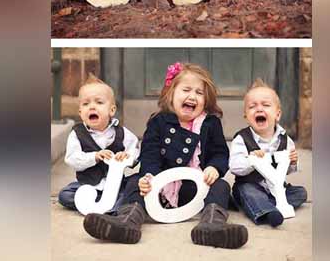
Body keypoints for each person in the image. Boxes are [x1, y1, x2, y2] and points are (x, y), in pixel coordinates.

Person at [82, 63, 248, 249]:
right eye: (186, 90)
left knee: (221, 186)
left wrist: (214, 168)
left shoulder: (210, 123)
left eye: (199, 93)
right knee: (134, 183)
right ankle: (127, 221)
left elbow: (220, 152)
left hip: (194, 188)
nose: (192, 96)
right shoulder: (159, 122)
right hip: (160, 188)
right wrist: (149, 177)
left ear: (206, 100)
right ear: (171, 94)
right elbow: (150, 153)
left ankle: (212, 226)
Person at [229, 79, 308, 227]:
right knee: (249, 193)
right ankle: (267, 212)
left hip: (275, 188)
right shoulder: (241, 139)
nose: (259, 109)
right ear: (246, 116)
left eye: (265, 105)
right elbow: (234, 167)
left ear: (277, 114)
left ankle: (266, 204)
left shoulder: (285, 139)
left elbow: (288, 171)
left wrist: (293, 162)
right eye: (252, 106)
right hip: (250, 185)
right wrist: (251, 160)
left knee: (300, 192)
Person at [58, 74, 139, 214]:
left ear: (111, 110)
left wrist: (126, 156)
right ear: (80, 112)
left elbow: (135, 150)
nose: (92, 107)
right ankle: (107, 207)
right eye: (86, 104)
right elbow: (72, 159)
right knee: (65, 195)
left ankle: (111, 208)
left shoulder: (122, 133)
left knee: (130, 190)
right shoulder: (77, 134)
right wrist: (94, 156)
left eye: (99, 102)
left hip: (115, 186)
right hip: (88, 185)